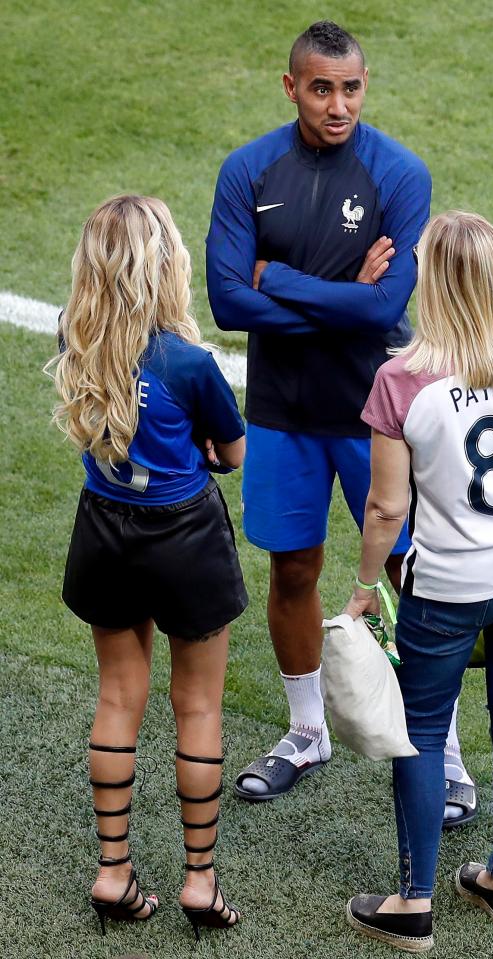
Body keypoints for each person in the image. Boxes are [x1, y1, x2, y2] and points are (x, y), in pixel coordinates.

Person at [206, 19, 474, 814]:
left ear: (364, 85)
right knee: (292, 568)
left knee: (407, 576)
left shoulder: (399, 173)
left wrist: (278, 278)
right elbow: (226, 302)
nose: (337, 104)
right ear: (290, 86)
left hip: (378, 416)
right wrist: (344, 294)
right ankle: (305, 730)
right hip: (284, 413)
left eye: (350, 87)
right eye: (320, 87)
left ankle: (444, 751)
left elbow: (384, 308)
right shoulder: (248, 170)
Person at [343, 211, 493, 952]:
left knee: (418, 732)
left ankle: (411, 903)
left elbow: (387, 505)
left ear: (434, 282)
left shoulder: (400, 378)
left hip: (450, 583)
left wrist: (361, 586)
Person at [49, 195, 247, 941]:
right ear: (163, 266)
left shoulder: (75, 335)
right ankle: (199, 882)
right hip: (185, 537)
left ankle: (113, 870)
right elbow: (232, 455)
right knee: (196, 706)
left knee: (117, 696)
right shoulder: (191, 363)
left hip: (104, 532)